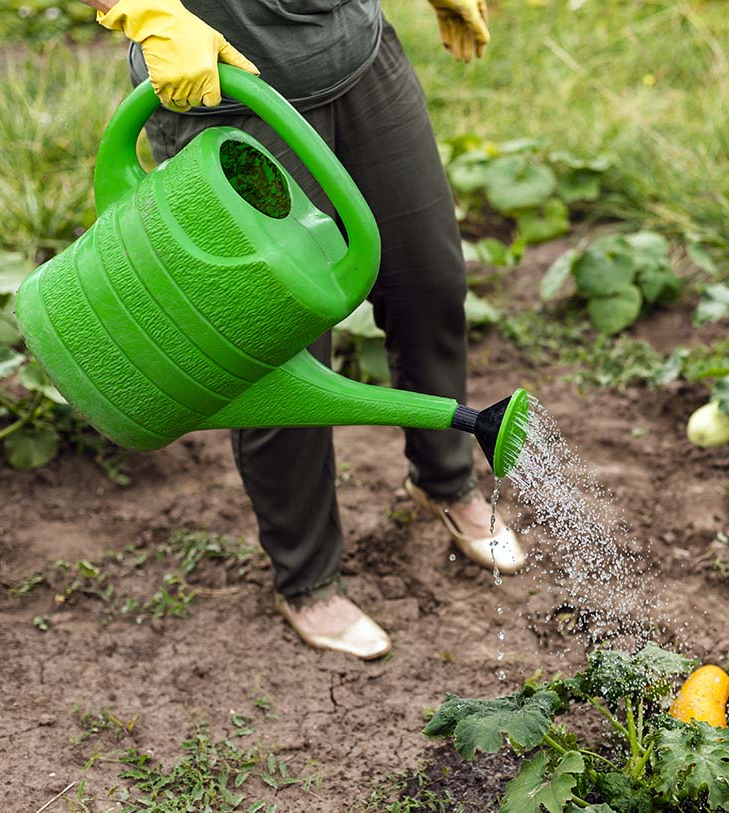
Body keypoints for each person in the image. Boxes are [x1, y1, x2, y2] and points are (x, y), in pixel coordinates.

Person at [79, 0, 526, 659]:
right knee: (277, 351)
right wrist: (143, 11)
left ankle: (445, 478)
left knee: (429, 282)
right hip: (227, 92)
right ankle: (307, 577)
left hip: (358, 56)